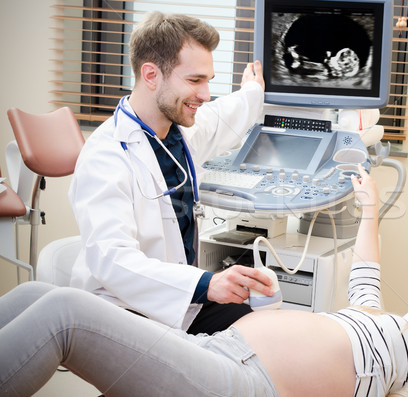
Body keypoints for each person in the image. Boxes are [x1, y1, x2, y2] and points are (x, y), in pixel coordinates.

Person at [0, 166, 408, 397]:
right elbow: (367, 272)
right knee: (35, 295)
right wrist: (369, 209)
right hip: (216, 346)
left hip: (239, 383)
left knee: (64, 314)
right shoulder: (391, 325)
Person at [68, 11, 274, 335]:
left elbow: (227, 115)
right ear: (151, 75)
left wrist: (252, 90)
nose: (205, 95)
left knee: (261, 331)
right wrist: (208, 284)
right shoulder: (105, 156)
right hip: (125, 313)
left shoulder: (180, 130)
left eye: (208, 81)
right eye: (195, 81)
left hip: (178, 302)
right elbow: (112, 261)